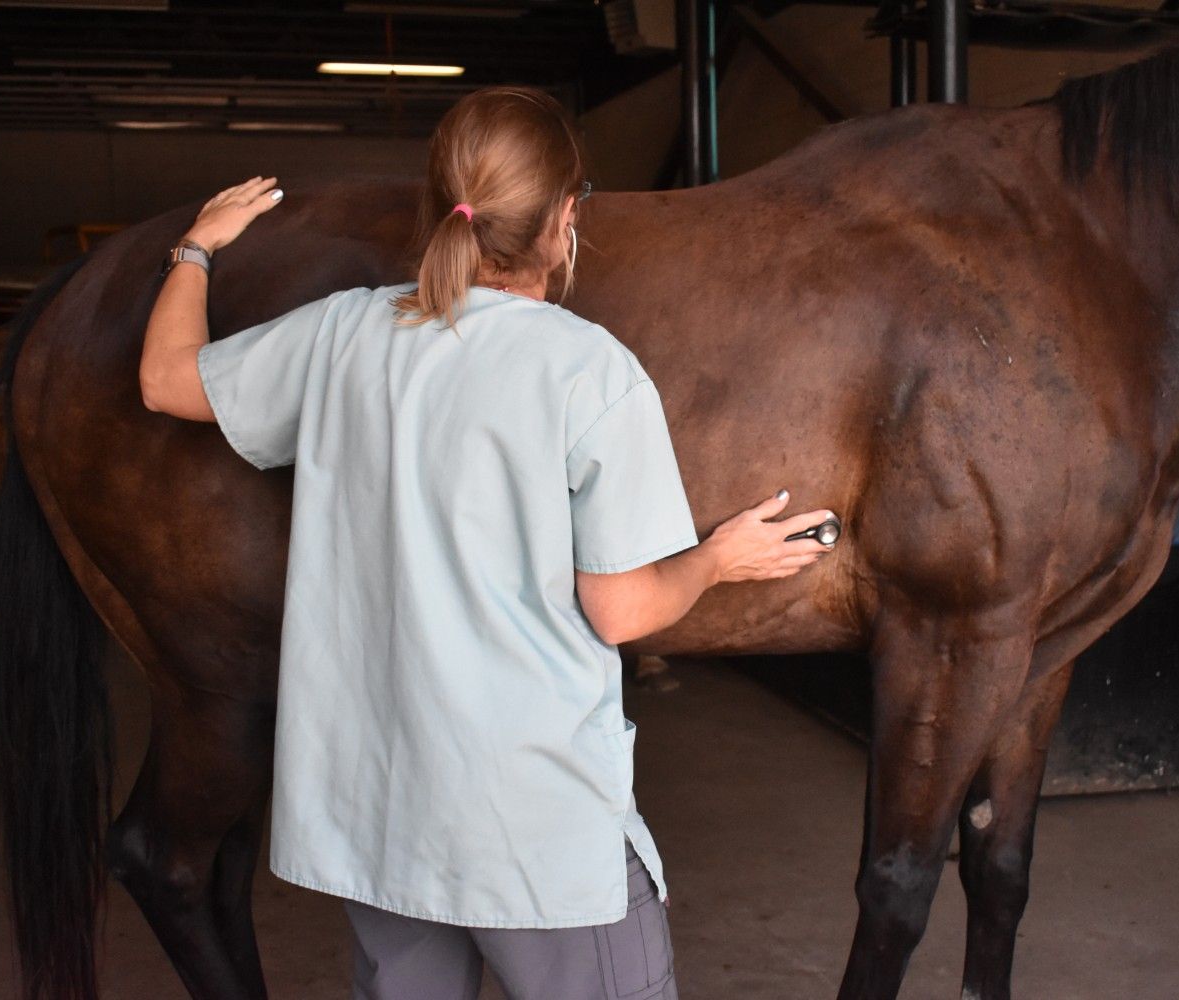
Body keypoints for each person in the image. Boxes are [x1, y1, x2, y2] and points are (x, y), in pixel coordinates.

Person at [137, 85, 835, 1000]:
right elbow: (621, 610)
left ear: (442, 207)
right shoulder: (591, 374)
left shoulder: (345, 331)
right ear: (564, 220)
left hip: (377, 809)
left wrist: (197, 247)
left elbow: (164, 382)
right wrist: (716, 558)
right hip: (527, 825)